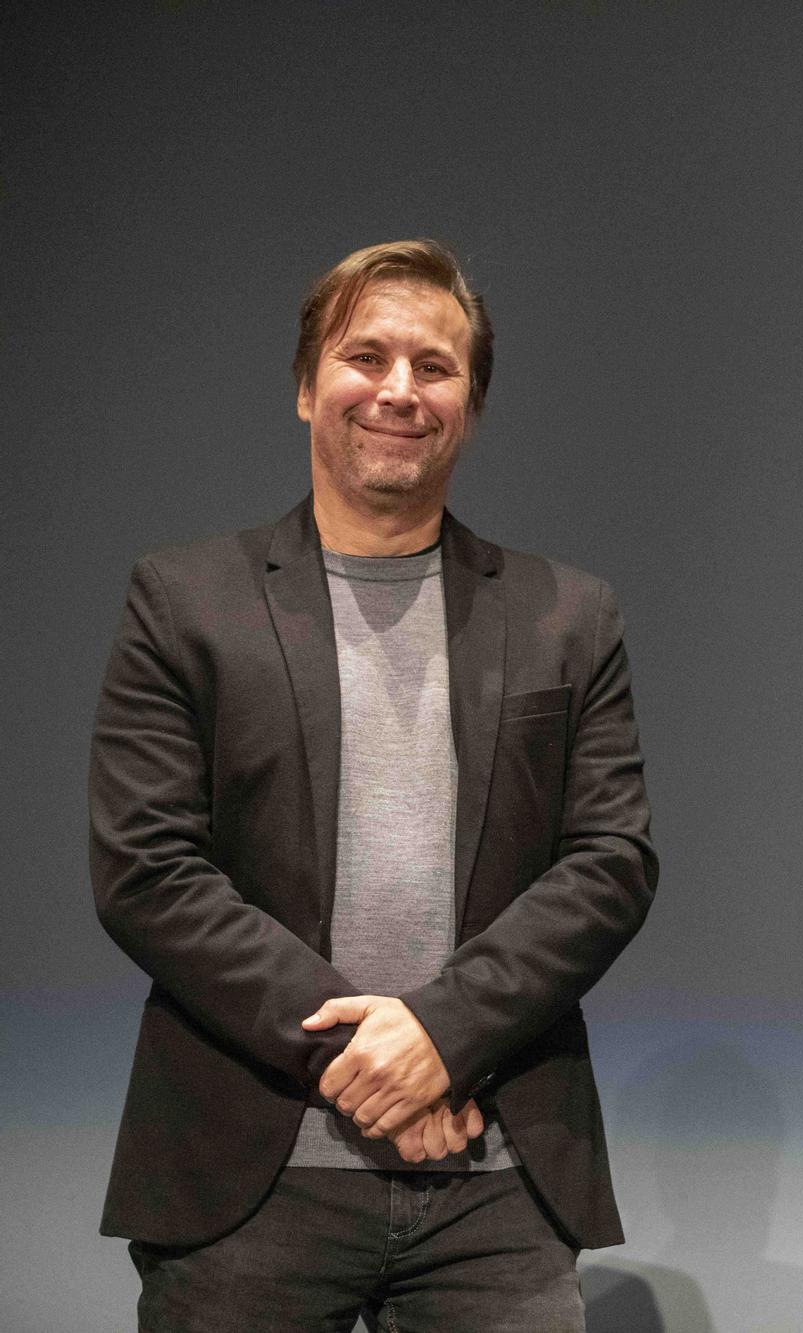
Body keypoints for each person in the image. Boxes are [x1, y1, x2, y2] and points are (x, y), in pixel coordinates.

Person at [88, 239, 657, 1330]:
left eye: (434, 367)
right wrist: (368, 1056)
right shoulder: (183, 600)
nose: (399, 389)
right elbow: (146, 870)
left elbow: (611, 863)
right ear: (308, 387)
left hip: (494, 1178)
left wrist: (443, 1033)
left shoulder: (565, 614)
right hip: (248, 1180)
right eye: (366, 356)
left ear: (470, 406)